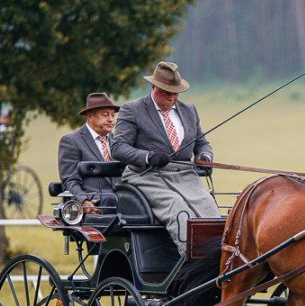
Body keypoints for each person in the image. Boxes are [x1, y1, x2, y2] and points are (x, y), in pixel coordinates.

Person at [111, 61, 220, 256]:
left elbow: (202, 143)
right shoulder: (133, 110)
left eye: (175, 93)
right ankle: (193, 260)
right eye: (166, 92)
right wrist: (147, 157)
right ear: (153, 86)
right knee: (178, 209)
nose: (171, 98)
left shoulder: (189, 111)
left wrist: (205, 155)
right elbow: (118, 148)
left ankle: (216, 258)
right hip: (146, 176)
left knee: (210, 209)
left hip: (186, 176)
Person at [58, 93, 120, 214]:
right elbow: (70, 181)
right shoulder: (72, 142)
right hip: (95, 206)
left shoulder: (119, 142)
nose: (111, 119)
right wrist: (84, 202)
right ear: (90, 116)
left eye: (113, 115)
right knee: (109, 200)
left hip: (124, 204)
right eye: (105, 114)